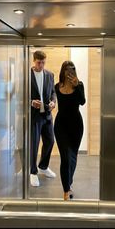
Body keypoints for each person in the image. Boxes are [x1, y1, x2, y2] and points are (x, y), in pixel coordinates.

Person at [54, 61, 86, 200]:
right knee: (65, 158)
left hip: (76, 126)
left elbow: (82, 101)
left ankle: (69, 181)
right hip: (61, 125)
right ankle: (66, 190)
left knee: (72, 157)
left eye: (72, 69)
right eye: (67, 69)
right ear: (63, 71)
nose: (69, 72)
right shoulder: (57, 86)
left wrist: (76, 86)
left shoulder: (79, 85)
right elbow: (53, 100)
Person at [30, 50, 56, 187]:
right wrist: (30, 102)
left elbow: (53, 92)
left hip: (47, 115)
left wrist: (53, 102)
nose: (41, 65)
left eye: (43, 63)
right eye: (39, 62)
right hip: (34, 116)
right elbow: (19, 94)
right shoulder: (26, 75)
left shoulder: (50, 75)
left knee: (50, 141)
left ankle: (43, 166)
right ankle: (33, 172)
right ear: (34, 61)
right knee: (34, 145)